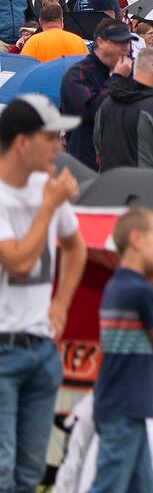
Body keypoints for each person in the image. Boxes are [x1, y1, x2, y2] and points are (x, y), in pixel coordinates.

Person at [0, 95, 86, 493]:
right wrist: (49, 207)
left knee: (30, 472)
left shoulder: (43, 186)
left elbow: (76, 246)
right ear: (22, 142)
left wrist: (62, 303)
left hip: (41, 347)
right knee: (3, 472)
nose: (58, 145)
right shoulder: (34, 195)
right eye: (50, 137)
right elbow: (17, 261)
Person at [90, 207, 153, 493]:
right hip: (127, 405)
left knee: (144, 485)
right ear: (137, 240)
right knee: (109, 485)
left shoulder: (116, 285)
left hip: (118, 402)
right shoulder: (141, 291)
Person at [59, 19, 135, 168]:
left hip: (118, 159)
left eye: (128, 43)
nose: (126, 49)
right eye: (119, 43)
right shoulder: (78, 72)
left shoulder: (124, 72)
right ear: (100, 42)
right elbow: (92, 111)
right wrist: (117, 79)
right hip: (86, 161)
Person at [18, 2, 86, 63]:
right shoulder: (78, 41)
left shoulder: (33, 42)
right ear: (62, 20)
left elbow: (23, 68)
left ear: (40, 21)